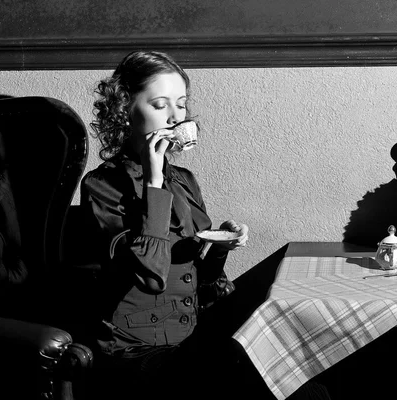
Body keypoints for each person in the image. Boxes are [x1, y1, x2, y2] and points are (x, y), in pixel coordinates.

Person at [80, 51, 331, 400]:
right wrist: (153, 183)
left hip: (193, 339)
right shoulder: (101, 186)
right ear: (124, 109)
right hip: (135, 352)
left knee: (305, 386)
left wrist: (219, 247)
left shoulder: (184, 180)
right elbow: (150, 275)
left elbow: (202, 278)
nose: (174, 116)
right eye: (159, 104)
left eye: (181, 105)